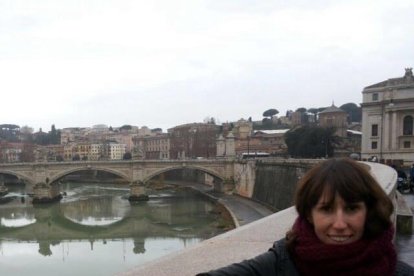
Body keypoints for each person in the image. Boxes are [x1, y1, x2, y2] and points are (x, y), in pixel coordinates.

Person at [197, 158, 414, 276]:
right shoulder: (281, 262)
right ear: (309, 214)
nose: (339, 224)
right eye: (326, 210)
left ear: (369, 211)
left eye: (351, 209)